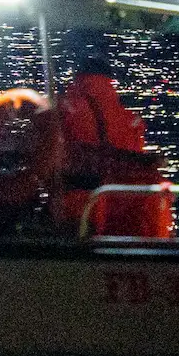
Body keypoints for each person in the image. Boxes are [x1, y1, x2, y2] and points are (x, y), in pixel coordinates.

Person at [54, 47, 169, 237]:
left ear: (78, 77)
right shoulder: (132, 121)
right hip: (127, 208)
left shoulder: (63, 108)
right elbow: (135, 157)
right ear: (110, 81)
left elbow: (50, 150)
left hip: (77, 203)